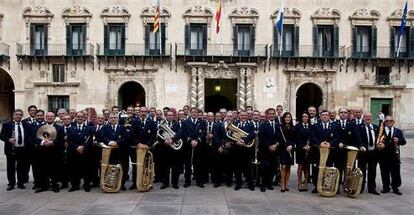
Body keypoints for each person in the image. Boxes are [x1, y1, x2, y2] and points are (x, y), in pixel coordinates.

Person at [33, 112, 64, 193]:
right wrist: (43, 142)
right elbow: (34, 138)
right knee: (43, 170)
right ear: (45, 117)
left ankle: (54, 186)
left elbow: (61, 140)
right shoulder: (39, 127)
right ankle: (43, 186)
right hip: (43, 152)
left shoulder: (59, 128)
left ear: (54, 117)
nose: (50, 117)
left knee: (54, 170)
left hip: (54, 152)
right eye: (48, 116)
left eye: (51, 116)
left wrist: (53, 143)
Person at [0, 109, 31, 191]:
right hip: (11, 149)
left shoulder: (26, 124)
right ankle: (11, 183)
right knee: (11, 167)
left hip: (22, 150)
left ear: (22, 116)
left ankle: (20, 183)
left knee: (21, 167)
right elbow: (2, 136)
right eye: (16, 114)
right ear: (13, 116)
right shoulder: (7, 124)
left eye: (20, 114)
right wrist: (8, 139)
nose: (18, 116)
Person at [310, 110, 339, 193]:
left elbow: (337, 137)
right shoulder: (315, 126)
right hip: (318, 151)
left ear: (329, 116)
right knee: (317, 169)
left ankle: (326, 185)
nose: (325, 116)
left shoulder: (334, 126)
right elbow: (313, 136)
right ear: (320, 116)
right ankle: (317, 186)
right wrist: (320, 143)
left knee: (328, 169)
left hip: (330, 152)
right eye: (323, 115)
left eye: (326, 115)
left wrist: (330, 144)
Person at [335, 107, 362, 193]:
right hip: (338, 152)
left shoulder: (352, 124)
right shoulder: (335, 124)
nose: (343, 114)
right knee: (338, 170)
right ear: (338, 114)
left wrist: (361, 145)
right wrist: (338, 142)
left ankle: (348, 188)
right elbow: (334, 137)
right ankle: (337, 188)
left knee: (349, 171)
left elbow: (357, 136)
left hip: (349, 152)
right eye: (341, 112)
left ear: (347, 114)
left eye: (345, 112)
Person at [66, 112, 94, 192]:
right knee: (74, 170)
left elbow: (90, 140)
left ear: (84, 118)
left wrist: (83, 147)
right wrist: (77, 147)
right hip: (74, 152)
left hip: (85, 153)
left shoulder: (89, 128)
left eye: (82, 116)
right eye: (78, 116)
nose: (80, 118)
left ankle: (87, 185)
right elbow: (69, 141)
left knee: (86, 170)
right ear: (75, 117)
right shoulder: (70, 128)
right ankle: (75, 185)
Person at [101, 112, 128, 191]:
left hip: (121, 152)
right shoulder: (105, 127)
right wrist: (109, 142)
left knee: (122, 169)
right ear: (109, 119)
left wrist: (117, 142)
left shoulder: (122, 127)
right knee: (110, 169)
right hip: (110, 153)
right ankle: (111, 184)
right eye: (111, 118)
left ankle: (121, 184)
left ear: (118, 119)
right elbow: (102, 137)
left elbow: (125, 138)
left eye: (115, 117)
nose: (113, 119)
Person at [380, 115, 406, 195]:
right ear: (385, 122)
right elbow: (377, 141)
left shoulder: (398, 131)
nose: (389, 122)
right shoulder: (381, 131)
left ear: (393, 122)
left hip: (394, 155)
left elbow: (403, 142)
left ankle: (395, 187)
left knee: (395, 172)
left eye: (390, 121)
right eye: (387, 121)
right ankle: (386, 187)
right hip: (384, 155)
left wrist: (398, 140)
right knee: (384, 172)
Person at [182, 107, 207, 188]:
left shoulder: (202, 122)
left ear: (197, 113)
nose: (194, 113)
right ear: (190, 113)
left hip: (198, 146)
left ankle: (199, 181)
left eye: (195, 112)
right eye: (192, 112)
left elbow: (204, 133)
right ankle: (187, 181)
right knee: (188, 164)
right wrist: (190, 141)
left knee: (198, 164)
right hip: (188, 146)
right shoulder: (185, 122)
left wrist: (197, 141)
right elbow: (184, 133)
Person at [158, 111, 182, 189]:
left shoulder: (177, 124)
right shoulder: (162, 124)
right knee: (165, 167)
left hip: (175, 150)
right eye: (169, 115)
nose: (170, 117)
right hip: (165, 149)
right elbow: (158, 136)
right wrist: (164, 141)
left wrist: (172, 139)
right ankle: (165, 183)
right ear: (166, 116)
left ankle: (175, 183)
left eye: (172, 115)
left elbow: (179, 133)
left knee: (176, 167)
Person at [232, 110, 255, 191]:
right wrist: (237, 141)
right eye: (242, 115)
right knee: (237, 168)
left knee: (248, 168)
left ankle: (250, 184)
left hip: (246, 150)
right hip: (237, 149)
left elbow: (252, 135)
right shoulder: (235, 124)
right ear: (239, 116)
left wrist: (244, 141)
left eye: (245, 115)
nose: (243, 117)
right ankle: (238, 184)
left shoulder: (251, 124)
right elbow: (231, 134)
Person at [357, 112, 380, 195]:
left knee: (372, 171)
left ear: (371, 118)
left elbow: (379, 138)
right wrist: (361, 146)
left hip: (373, 153)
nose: (368, 118)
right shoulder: (359, 127)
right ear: (363, 118)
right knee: (362, 171)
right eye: (366, 116)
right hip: (363, 152)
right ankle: (360, 188)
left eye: (369, 116)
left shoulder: (376, 127)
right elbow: (358, 138)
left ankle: (372, 188)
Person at [259, 108, 280, 192]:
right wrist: (269, 146)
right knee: (264, 168)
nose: (271, 115)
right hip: (265, 150)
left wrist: (276, 144)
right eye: (270, 114)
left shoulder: (278, 125)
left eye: (273, 114)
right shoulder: (263, 125)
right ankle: (263, 184)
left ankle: (269, 183)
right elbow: (262, 137)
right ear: (267, 115)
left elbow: (280, 137)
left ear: (275, 115)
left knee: (273, 168)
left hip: (275, 150)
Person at [278, 112, 295, 192]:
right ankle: (282, 184)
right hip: (283, 149)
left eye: (289, 117)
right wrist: (285, 147)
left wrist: (291, 145)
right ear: (283, 118)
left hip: (290, 149)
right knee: (283, 166)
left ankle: (286, 184)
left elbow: (295, 139)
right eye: (286, 117)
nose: (287, 118)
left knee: (288, 167)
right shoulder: (280, 127)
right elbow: (279, 138)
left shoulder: (293, 127)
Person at [295, 112, 311, 192]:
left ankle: (306, 183)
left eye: (306, 116)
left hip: (309, 149)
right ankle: (299, 183)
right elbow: (297, 137)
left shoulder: (311, 126)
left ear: (308, 118)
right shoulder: (297, 126)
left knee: (307, 166)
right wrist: (303, 146)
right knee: (300, 166)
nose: (305, 118)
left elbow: (312, 136)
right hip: (300, 149)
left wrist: (309, 146)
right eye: (303, 116)